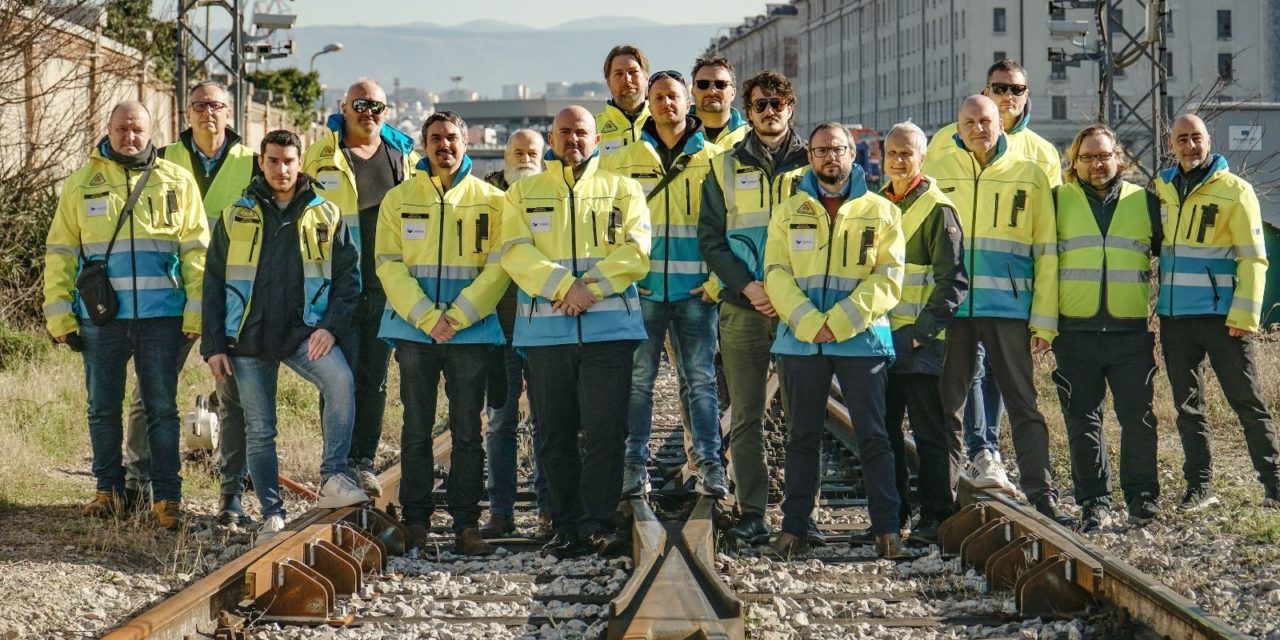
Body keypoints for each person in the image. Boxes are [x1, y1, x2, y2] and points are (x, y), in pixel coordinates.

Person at [43, 100, 207, 530]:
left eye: (137, 130)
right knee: (102, 409)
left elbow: (197, 253)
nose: (129, 137)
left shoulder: (177, 180)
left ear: (150, 132)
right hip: (104, 320)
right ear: (109, 130)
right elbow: (60, 253)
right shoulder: (83, 184)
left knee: (161, 409)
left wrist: (196, 313)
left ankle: (167, 498)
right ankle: (108, 492)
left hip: (162, 319)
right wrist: (59, 317)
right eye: (121, 129)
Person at [203, 129, 367, 543]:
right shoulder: (234, 214)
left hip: (303, 331)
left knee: (341, 381)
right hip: (248, 336)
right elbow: (212, 282)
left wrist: (330, 327)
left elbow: (350, 280)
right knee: (261, 428)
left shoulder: (325, 213)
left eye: (289, 161)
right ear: (261, 162)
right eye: (273, 161)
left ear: (300, 164)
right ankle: (272, 514)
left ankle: (333, 475)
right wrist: (214, 346)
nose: (281, 169)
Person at [501, 106, 651, 557]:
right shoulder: (524, 193)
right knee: (556, 434)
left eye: (581, 132)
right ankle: (565, 525)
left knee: (607, 433)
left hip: (610, 334)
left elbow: (637, 250)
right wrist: (566, 286)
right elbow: (514, 251)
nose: (573, 139)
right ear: (551, 138)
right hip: (547, 337)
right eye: (564, 132)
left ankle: (598, 524)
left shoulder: (624, 189)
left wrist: (591, 288)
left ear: (596, 138)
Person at [763, 122, 907, 559]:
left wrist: (838, 322)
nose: (830, 157)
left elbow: (889, 278)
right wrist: (810, 323)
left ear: (853, 154)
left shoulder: (882, 212)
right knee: (801, 438)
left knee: (875, 437)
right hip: (802, 342)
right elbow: (776, 273)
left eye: (838, 149)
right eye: (822, 149)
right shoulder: (788, 212)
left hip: (861, 341)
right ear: (811, 157)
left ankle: (887, 531)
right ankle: (794, 530)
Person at [929, 96, 1074, 526]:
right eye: (970, 121)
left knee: (1024, 403)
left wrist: (1045, 319)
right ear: (958, 125)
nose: (979, 128)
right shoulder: (939, 171)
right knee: (946, 407)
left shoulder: (1029, 175)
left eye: (986, 121)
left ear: (1001, 125)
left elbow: (1047, 252)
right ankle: (942, 504)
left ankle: (1042, 496)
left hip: (1009, 308)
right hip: (952, 310)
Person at [120, 80, 257, 526]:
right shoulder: (162, 160)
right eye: (199, 106)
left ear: (230, 113)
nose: (207, 113)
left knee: (236, 396)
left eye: (216, 106)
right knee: (149, 394)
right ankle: (138, 482)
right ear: (186, 113)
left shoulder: (251, 163)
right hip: (174, 298)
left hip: (232, 297)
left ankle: (234, 486)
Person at [376, 112, 510, 555]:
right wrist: (426, 317)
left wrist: (459, 315)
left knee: (467, 431)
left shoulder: (492, 201)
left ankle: (465, 525)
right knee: (415, 430)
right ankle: (416, 521)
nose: (444, 146)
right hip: (416, 333)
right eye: (435, 139)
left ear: (466, 142)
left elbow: (499, 266)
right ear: (424, 145)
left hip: (469, 334)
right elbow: (388, 263)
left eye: (451, 138)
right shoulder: (399, 199)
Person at [602, 70, 727, 498]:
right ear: (650, 104)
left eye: (673, 96)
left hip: (697, 292)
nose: (665, 104)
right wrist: (624, 282)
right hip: (644, 292)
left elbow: (726, 227)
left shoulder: (712, 160)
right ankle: (633, 466)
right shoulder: (622, 162)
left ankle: (710, 464)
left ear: (686, 102)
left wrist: (716, 283)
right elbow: (610, 230)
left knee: (701, 380)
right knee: (639, 382)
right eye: (658, 97)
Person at [698, 70, 810, 546]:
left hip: (799, 309)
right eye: (760, 104)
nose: (769, 112)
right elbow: (712, 239)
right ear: (749, 108)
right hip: (744, 306)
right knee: (745, 414)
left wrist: (788, 294)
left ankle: (801, 515)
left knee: (803, 416)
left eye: (777, 104)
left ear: (791, 108)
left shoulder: (816, 162)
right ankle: (753, 511)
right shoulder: (724, 165)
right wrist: (747, 287)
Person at [1155, 113, 1280, 511]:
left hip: (1223, 320)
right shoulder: (1161, 190)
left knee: (1248, 402)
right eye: (1182, 139)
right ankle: (1199, 486)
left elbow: (1254, 259)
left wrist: (1245, 317)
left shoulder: (1235, 191)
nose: (1190, 146)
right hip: (1175, 320)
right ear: (1170, 144)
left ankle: (1274, 484)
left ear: (1209, 141)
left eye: (1197, 138)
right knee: (1188, 408)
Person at [303, 79, 420, 498]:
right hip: (339, 288)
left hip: (388, 286)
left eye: (376, 106)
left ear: (386, 111)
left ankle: (362, 463)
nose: (367, 112)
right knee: (338, 379)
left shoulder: (405, 158)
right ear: (344, 106)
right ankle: (335, 468)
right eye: (359, 104)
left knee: (374, 380)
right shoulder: (321, 156)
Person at [1050, 124, 1163, 531]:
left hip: (1129, 333)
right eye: (1087, 157)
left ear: (1119, 157)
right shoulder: (1056, 201)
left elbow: (1171, 257)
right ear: (1074, 162)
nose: (1097, 164)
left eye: (1104, 155)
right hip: (1074, 332)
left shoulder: (1145, 202)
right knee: (1083, 421)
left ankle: (1142, 499)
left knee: (1139, 418)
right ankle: (1094, 503)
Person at [878, 121, 968, 546]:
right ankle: (894, 517)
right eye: (892, 152)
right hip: (879, 339)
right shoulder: (875, 204)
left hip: (919, 342)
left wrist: (922, 333)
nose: (898, 160)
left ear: (922, 157)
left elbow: (953, 282)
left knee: (931, 432)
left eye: (906, 153)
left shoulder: (938, 209)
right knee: (885, 431)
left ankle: (936, 516)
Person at [480, 129, 553, 539]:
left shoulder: (552, 193)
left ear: (543, 158)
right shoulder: (487, 197)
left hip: (545, 322)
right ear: (505, 156)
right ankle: (501, 511)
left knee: (547, 420)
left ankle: (548, 511)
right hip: (501, 324)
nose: (525, 158)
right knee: (500, 422)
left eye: (533, 152)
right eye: (517, 152)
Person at [596, 45, 650, 156]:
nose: (627, 79)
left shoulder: (663, 122)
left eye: (633, 72)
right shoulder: (592, 128)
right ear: (608, 82)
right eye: (619, 74)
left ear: (646, 77)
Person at [690, 55, 749, 148]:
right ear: (692, 90)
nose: (712, 91)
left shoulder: (751, 138)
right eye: (703, 84)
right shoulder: (674, 134)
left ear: (733, 93)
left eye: (721, 84)